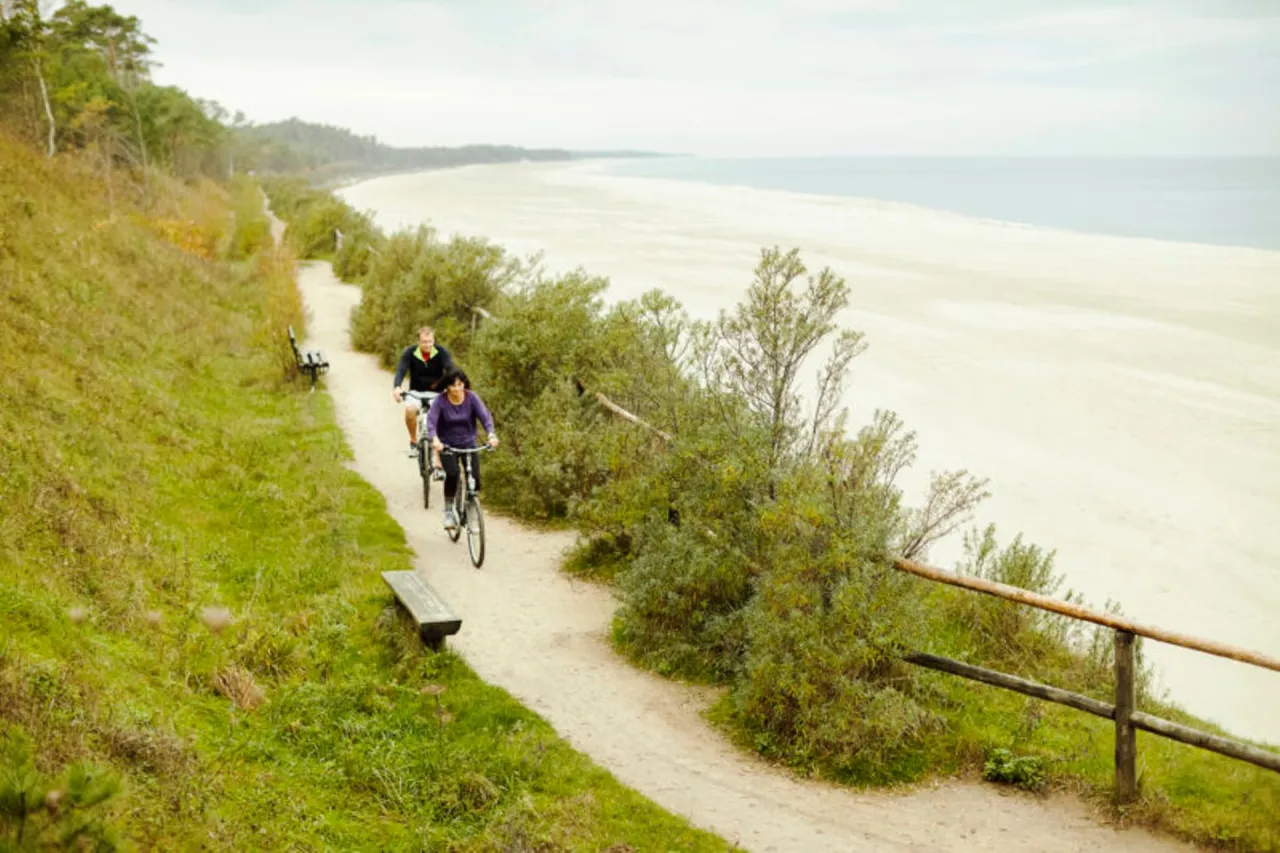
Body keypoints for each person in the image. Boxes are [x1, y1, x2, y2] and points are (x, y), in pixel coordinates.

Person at [427, 369, 499, 529]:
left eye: (460, 384)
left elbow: (485, 417)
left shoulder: (471, 398)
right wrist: (435, 439)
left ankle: (471, 506)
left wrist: (491, 435)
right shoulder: (441, 401)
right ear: (447, 387)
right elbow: (431, 422)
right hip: (447, 445)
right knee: (452, 475)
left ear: (464, 384)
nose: (458, 389)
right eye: (453, 386)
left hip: (468, 443)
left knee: (475, 478)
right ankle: (448, 512)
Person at [391, 326, 454, 457]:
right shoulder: (410, 352)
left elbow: (450, 368)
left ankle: (439, 453)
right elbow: (401, 369)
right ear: (418, 341)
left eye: (430, 341)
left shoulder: (441, 352)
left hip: (437, 393)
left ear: (433, 340)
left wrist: (452, 386)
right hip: (416, 393)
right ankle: (414, 442)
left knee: (442, 418)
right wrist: (397, 387)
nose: (427, 345)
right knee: (409, 411)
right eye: (424, 342)